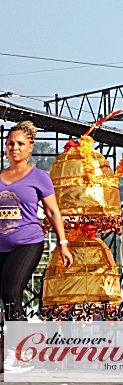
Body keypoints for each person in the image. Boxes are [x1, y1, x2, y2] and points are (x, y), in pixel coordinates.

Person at [1, 122, 73, 321]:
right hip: (0, 245)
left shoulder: (39, 177)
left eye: (20, 144)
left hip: (27, 242)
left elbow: (52, 211)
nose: (15, 147)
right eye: (11, 143)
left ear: (30, 147)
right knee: (5, 297)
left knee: (11, 293)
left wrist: (63, 244)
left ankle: (20, 347)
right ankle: (13, 343)